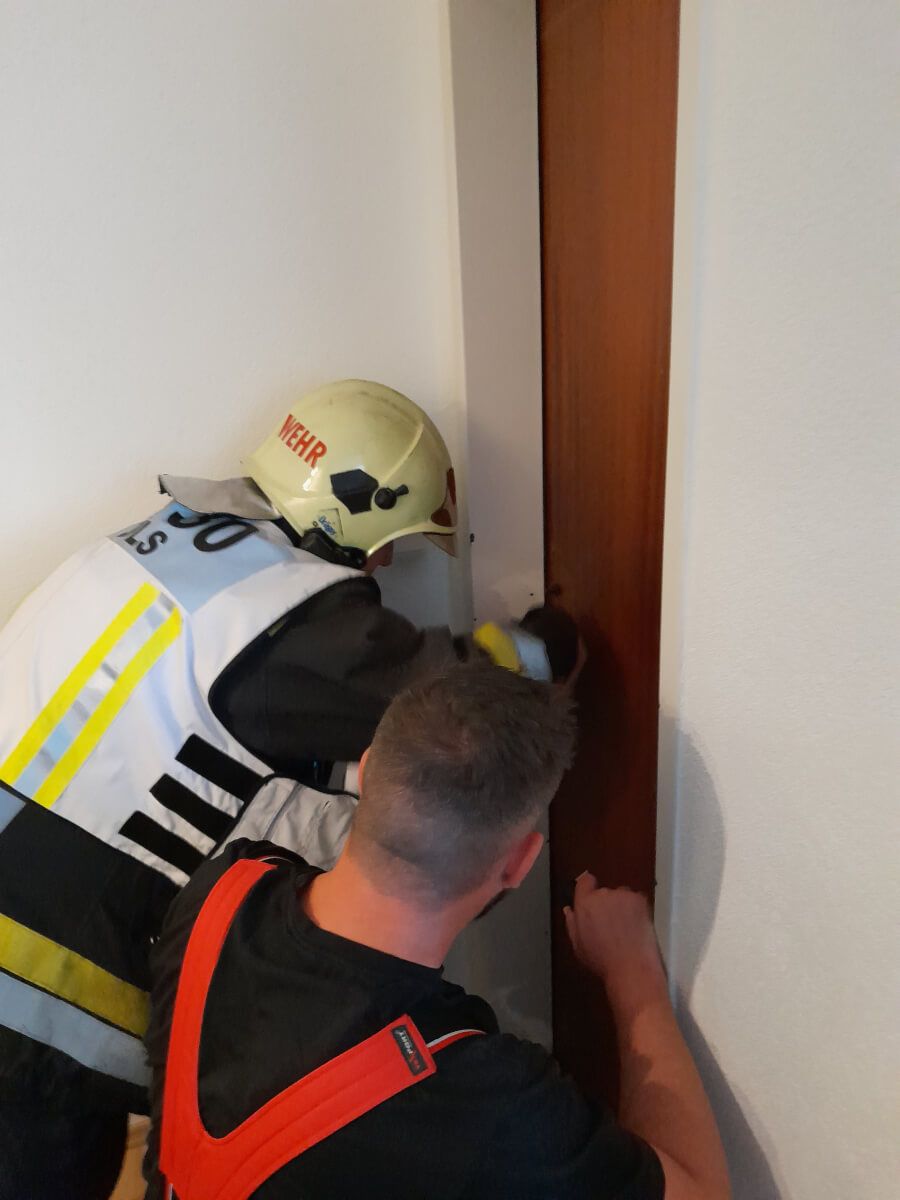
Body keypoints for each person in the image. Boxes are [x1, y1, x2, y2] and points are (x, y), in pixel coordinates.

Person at [0, 380, 574, 1199]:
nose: (385, 565)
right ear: (357, 510)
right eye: (391, 544)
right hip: (33, 996)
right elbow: (455, 705)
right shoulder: (288, 620)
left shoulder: (148, 548)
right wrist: (547, 645)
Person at [144, 664, 729, 1199]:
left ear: (366, 772)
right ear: (518, 864)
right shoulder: (489, 1103)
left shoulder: (223, 891)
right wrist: (635, 975)